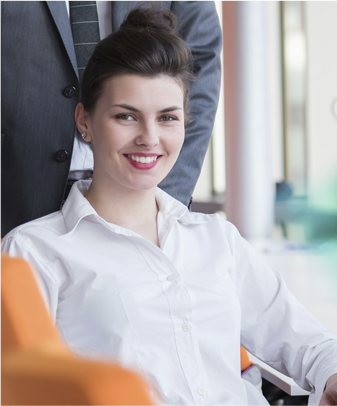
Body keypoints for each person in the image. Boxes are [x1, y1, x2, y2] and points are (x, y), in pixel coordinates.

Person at [2, 6, 337, 406]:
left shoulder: (216, 239)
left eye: (167, 118)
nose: (149, 138)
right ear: (84, 120)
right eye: (126, 116)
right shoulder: (34, 252)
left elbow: (312, 345)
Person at [1, 1, 222, 237]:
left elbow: (199, 63)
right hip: (17, 192)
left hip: (147, 199)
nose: (149, 138)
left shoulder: (222, 242)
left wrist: (163, 198)